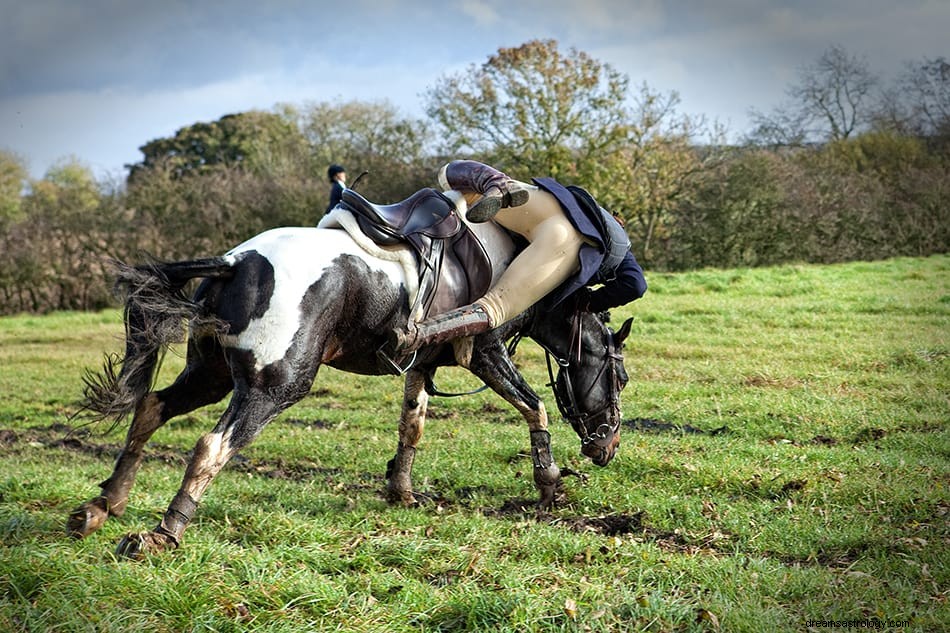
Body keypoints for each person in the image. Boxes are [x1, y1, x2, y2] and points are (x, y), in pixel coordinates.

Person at [391, 160, 647, 355]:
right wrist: (587, 301)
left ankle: (499, 185)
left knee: (448, 174)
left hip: (552, 201)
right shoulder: (621, 250)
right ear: (618, 229)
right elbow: (635, 285)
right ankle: (415, 336)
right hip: (564, 240)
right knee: (494, 308)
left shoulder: (587, 208)